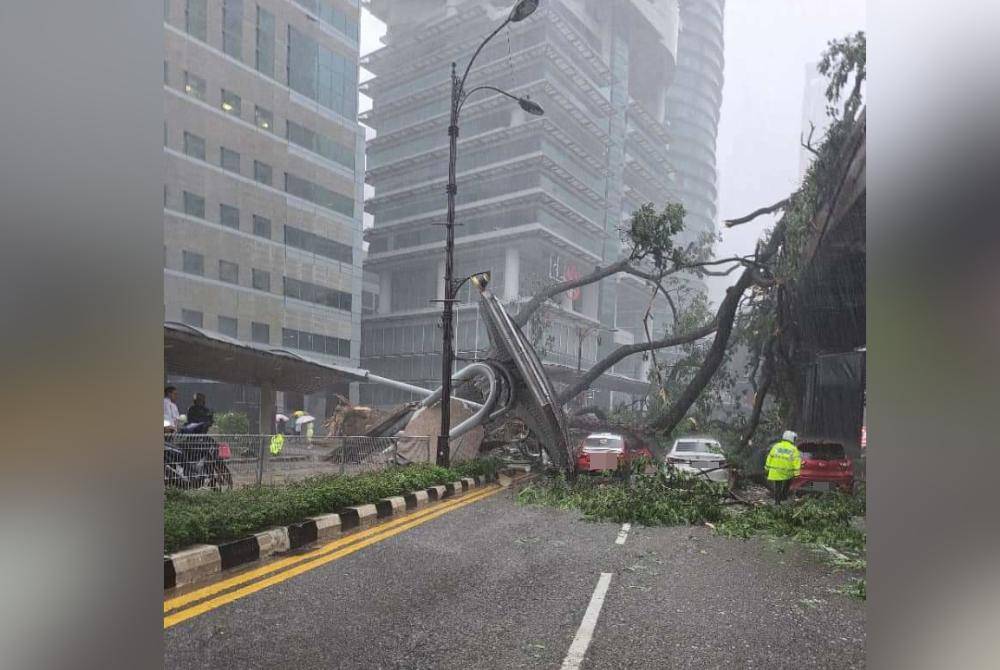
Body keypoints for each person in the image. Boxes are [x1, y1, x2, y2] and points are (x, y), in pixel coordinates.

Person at [765, 430, 801, 504]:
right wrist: (797, 474)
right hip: (787, 471)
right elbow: (796, 462)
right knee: (787, 482)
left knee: (777, 486)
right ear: (791, 438)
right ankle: (784, 497)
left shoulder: (776, 446)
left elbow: (770, 457)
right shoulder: (793, 449)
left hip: (775, 471)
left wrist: (767, 468)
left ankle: (777, 502)